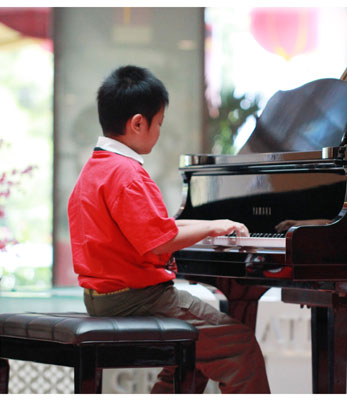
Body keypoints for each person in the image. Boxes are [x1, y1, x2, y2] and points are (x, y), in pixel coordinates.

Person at [67, 65, 270, 394]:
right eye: (158, 123)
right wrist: (211, 228)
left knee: (193, 354)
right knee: (239, 347)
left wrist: (212, 225)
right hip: (139, 299)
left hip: (104, 299)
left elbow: (157, 228)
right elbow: (159, 243)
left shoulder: (97, 169)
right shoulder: (127, 174)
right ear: (137, 123)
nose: (159, 131)